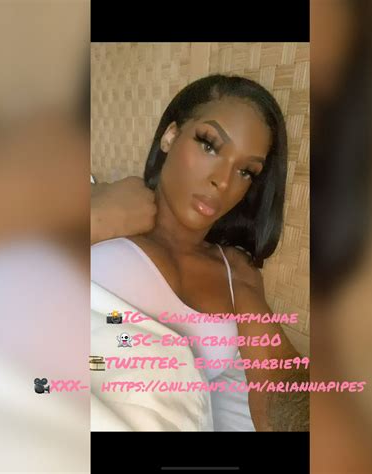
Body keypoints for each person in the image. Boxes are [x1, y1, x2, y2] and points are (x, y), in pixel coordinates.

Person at [91, 74, 308, 431]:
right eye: (209, 145)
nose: (223, 181)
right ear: (170, 135)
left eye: (245, 171)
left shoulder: (236, 270)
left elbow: (278, 380)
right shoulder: (98, 217)